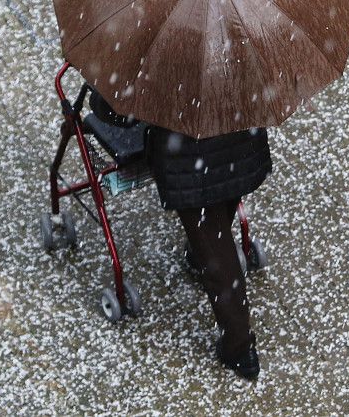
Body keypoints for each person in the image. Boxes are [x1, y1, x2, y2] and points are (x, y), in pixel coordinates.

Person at [89, 90, 270, 381]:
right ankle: (199, 255)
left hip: (190, 159)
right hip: (243, 138)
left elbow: (119, 114)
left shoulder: (160, 54)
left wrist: (99, 100)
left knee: (215, 248)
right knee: (224, 198)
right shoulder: (239, 44)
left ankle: (239, 349)